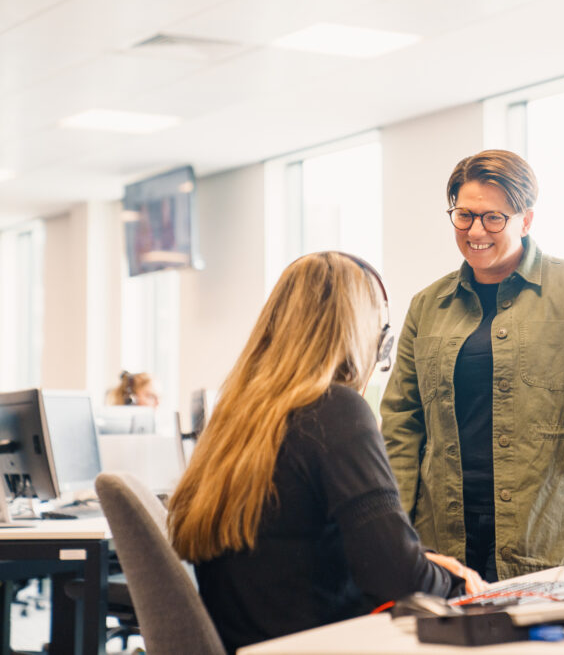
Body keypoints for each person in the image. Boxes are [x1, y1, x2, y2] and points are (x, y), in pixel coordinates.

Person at [168, 252, 484, 654]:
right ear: (365, 334)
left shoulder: (237, 417)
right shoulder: (333, 409)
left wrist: (427, 563)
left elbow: (311, 547)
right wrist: (461, 584)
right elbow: (399, 580)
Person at [381, 149, 564, 582]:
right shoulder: (427, 305)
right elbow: (402, 423)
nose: (476, 230)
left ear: (526, 220)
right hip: (443, 540)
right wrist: (393, 532)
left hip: (543, 538)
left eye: (493, 218)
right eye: (464, 215)